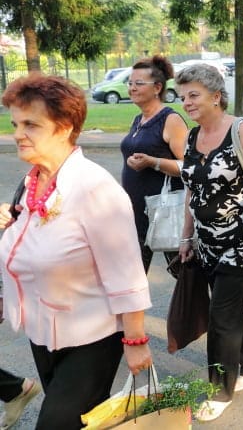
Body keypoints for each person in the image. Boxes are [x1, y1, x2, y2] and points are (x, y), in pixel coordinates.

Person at [0, 74, 152, 429]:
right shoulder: (33, 181)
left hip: (92, 338)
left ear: (65, 127)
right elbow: (31, 247)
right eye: (15, 123)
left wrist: (135, 340)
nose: (18, 133)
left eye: (31, 125)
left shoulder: (94, 188)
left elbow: (126, 271)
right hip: (44, 332)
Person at [176, 64, 243, 422]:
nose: (187, 102)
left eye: (194, 95)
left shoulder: (242, 130)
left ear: (215, 96)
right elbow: (191, 188)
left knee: (222, 315)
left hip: (241, 242)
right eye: (183, 97)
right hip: (207, 243)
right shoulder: (193, 136)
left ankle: (219, 390)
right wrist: (186, 235)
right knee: (230, 308)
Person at [120, 55, 189, 273]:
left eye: (139, 83)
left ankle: (206, 307)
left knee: (185, 273)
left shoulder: (171, 120)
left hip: (164, 210)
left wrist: (153, 162)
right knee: (132, 279)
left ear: (157, 87)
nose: (132, 88)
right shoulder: (138, 119)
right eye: (130, 83)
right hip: (137, 212)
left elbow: (189, 168)